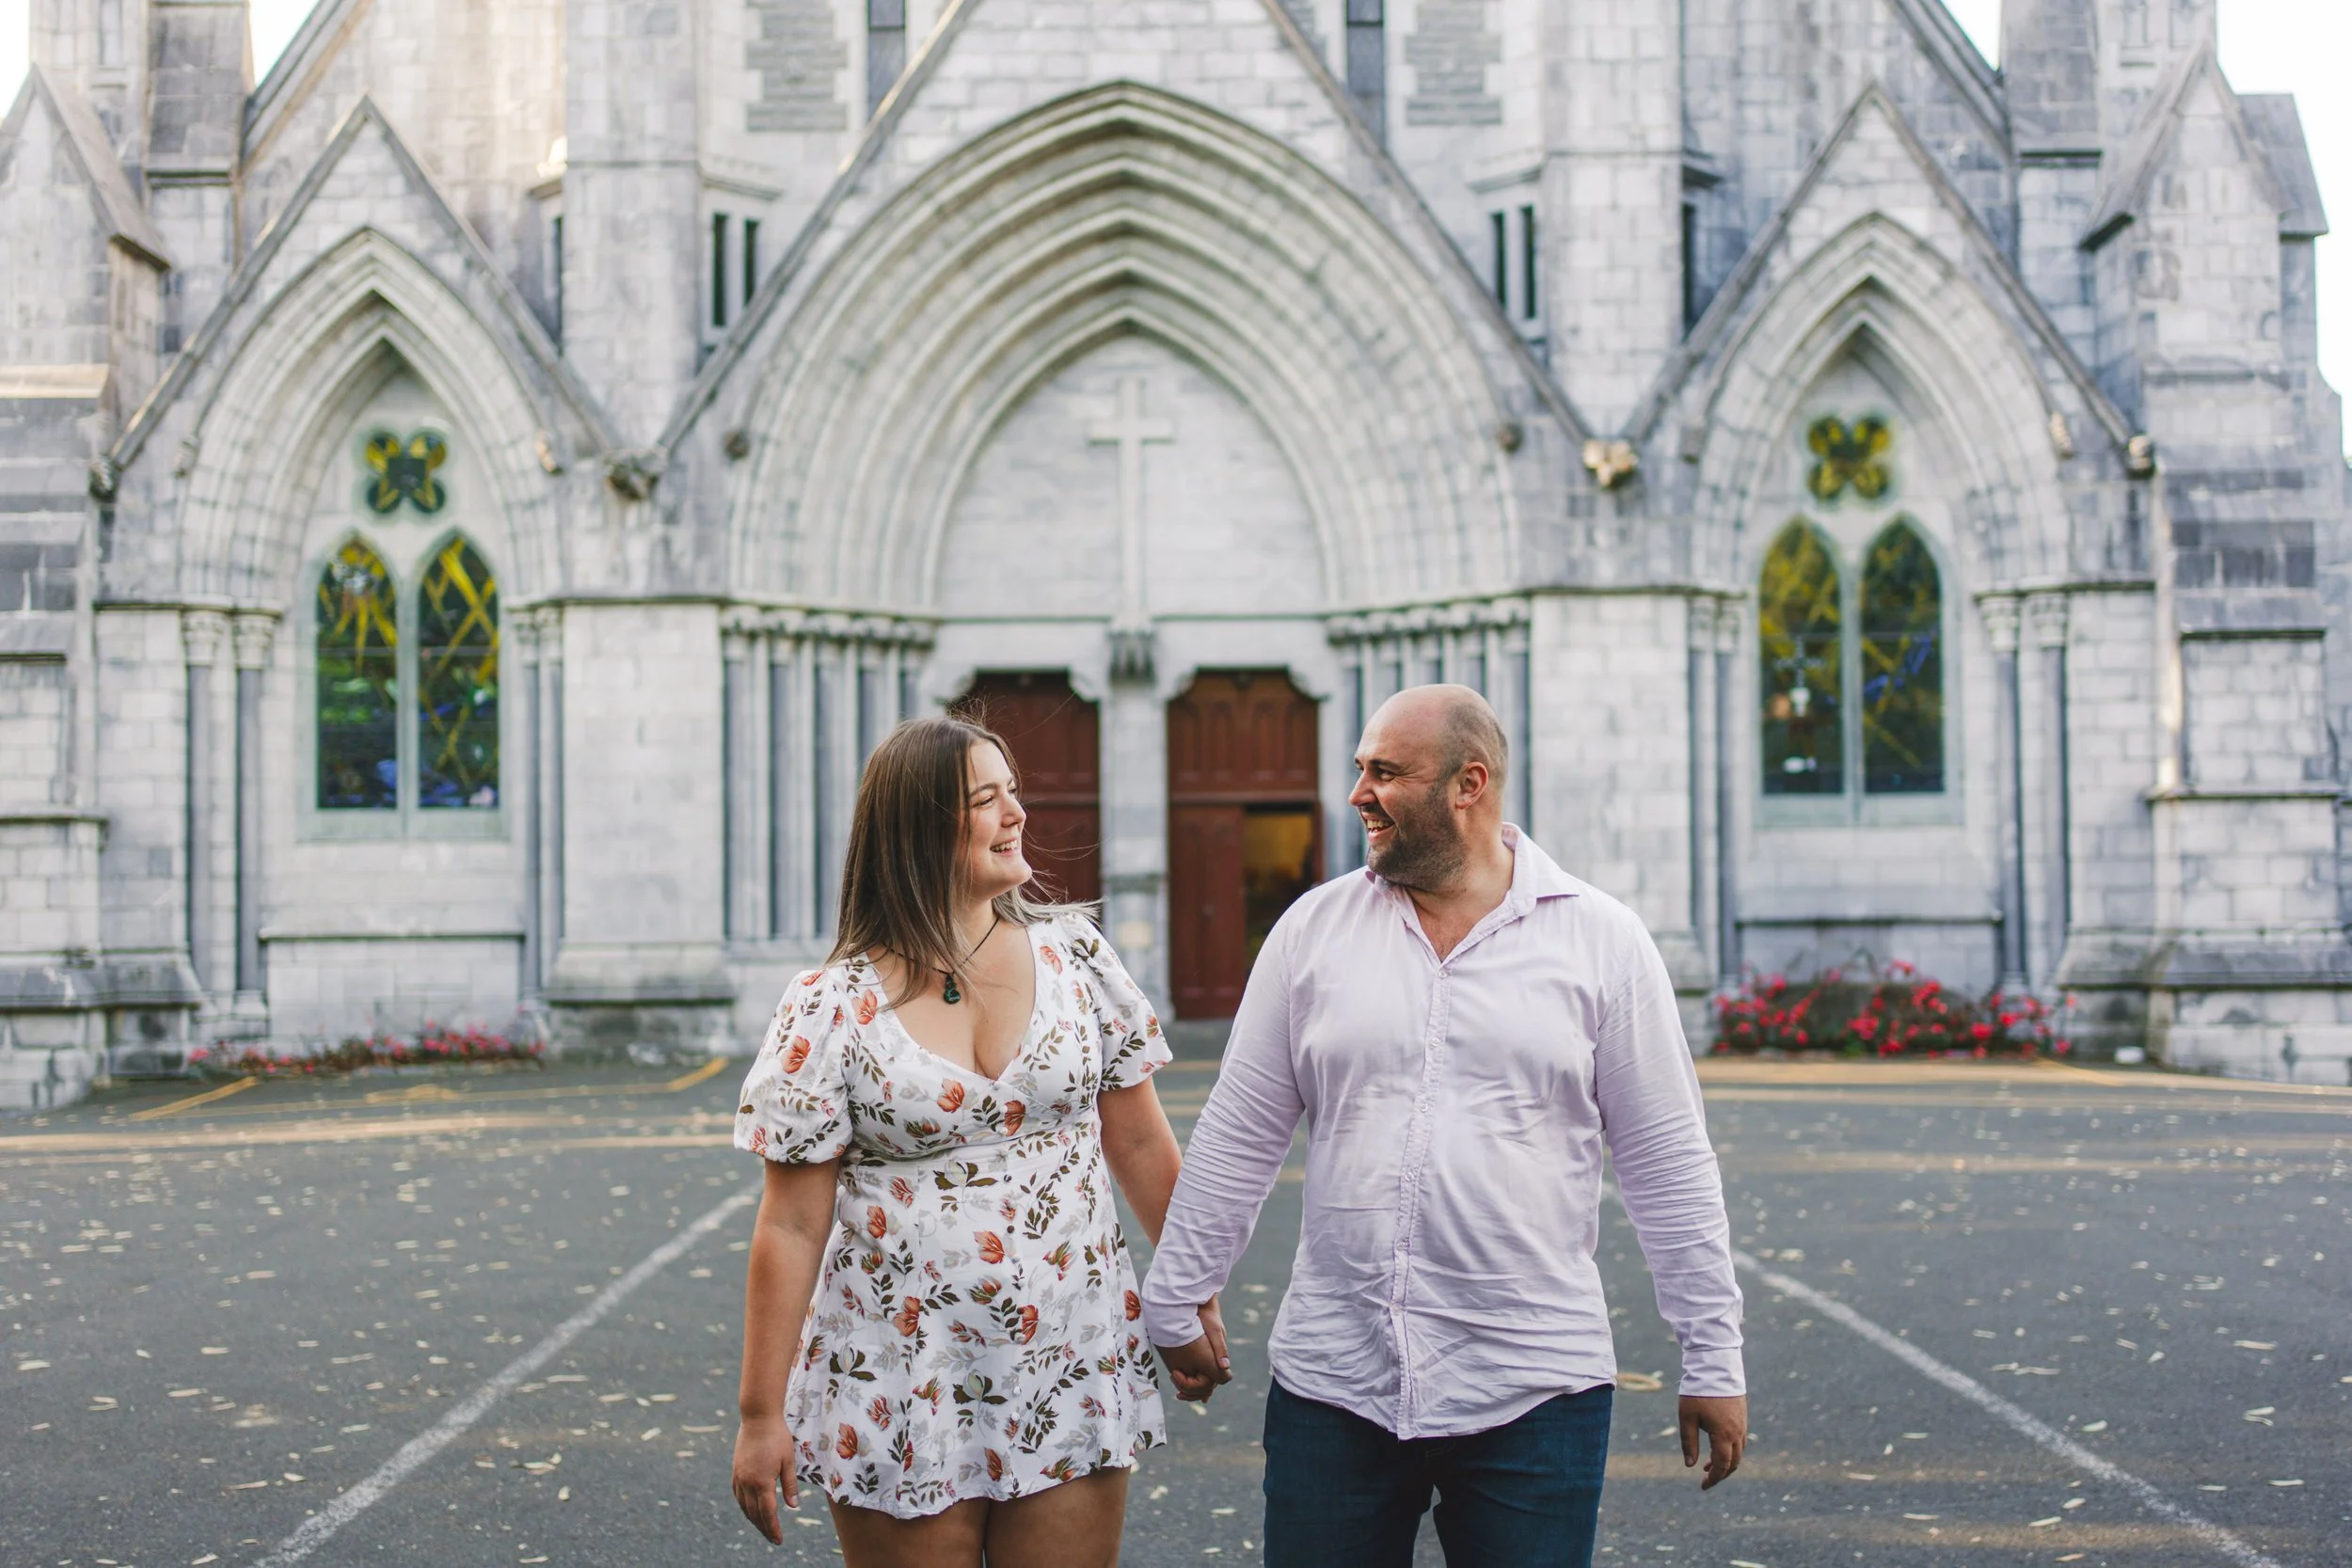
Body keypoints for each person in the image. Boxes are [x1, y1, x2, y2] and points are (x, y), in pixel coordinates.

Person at [1144, 685, 1747, 1568]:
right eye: (1359, 769)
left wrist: (1713, 1356)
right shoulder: (1312, 931)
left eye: (1384, 772)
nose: (1356, 793)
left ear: (1469, 785)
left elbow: (1668, 1163)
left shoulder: (1603, 942)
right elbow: (1240, 1132)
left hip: (1534, 1386)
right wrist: (1174, 1297)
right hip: (1336, 1383)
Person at [731, 714, 1225, 1566]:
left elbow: (1141, 1144)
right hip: (898, 1374)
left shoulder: (1077, 958)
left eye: (1015, 792)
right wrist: (759, 1415)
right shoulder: (830, 1006)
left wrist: (1191, 1296)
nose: (1018, 812)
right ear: (919, 828)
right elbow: (790, 1225)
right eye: (986, 798)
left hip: (1068, 1355)